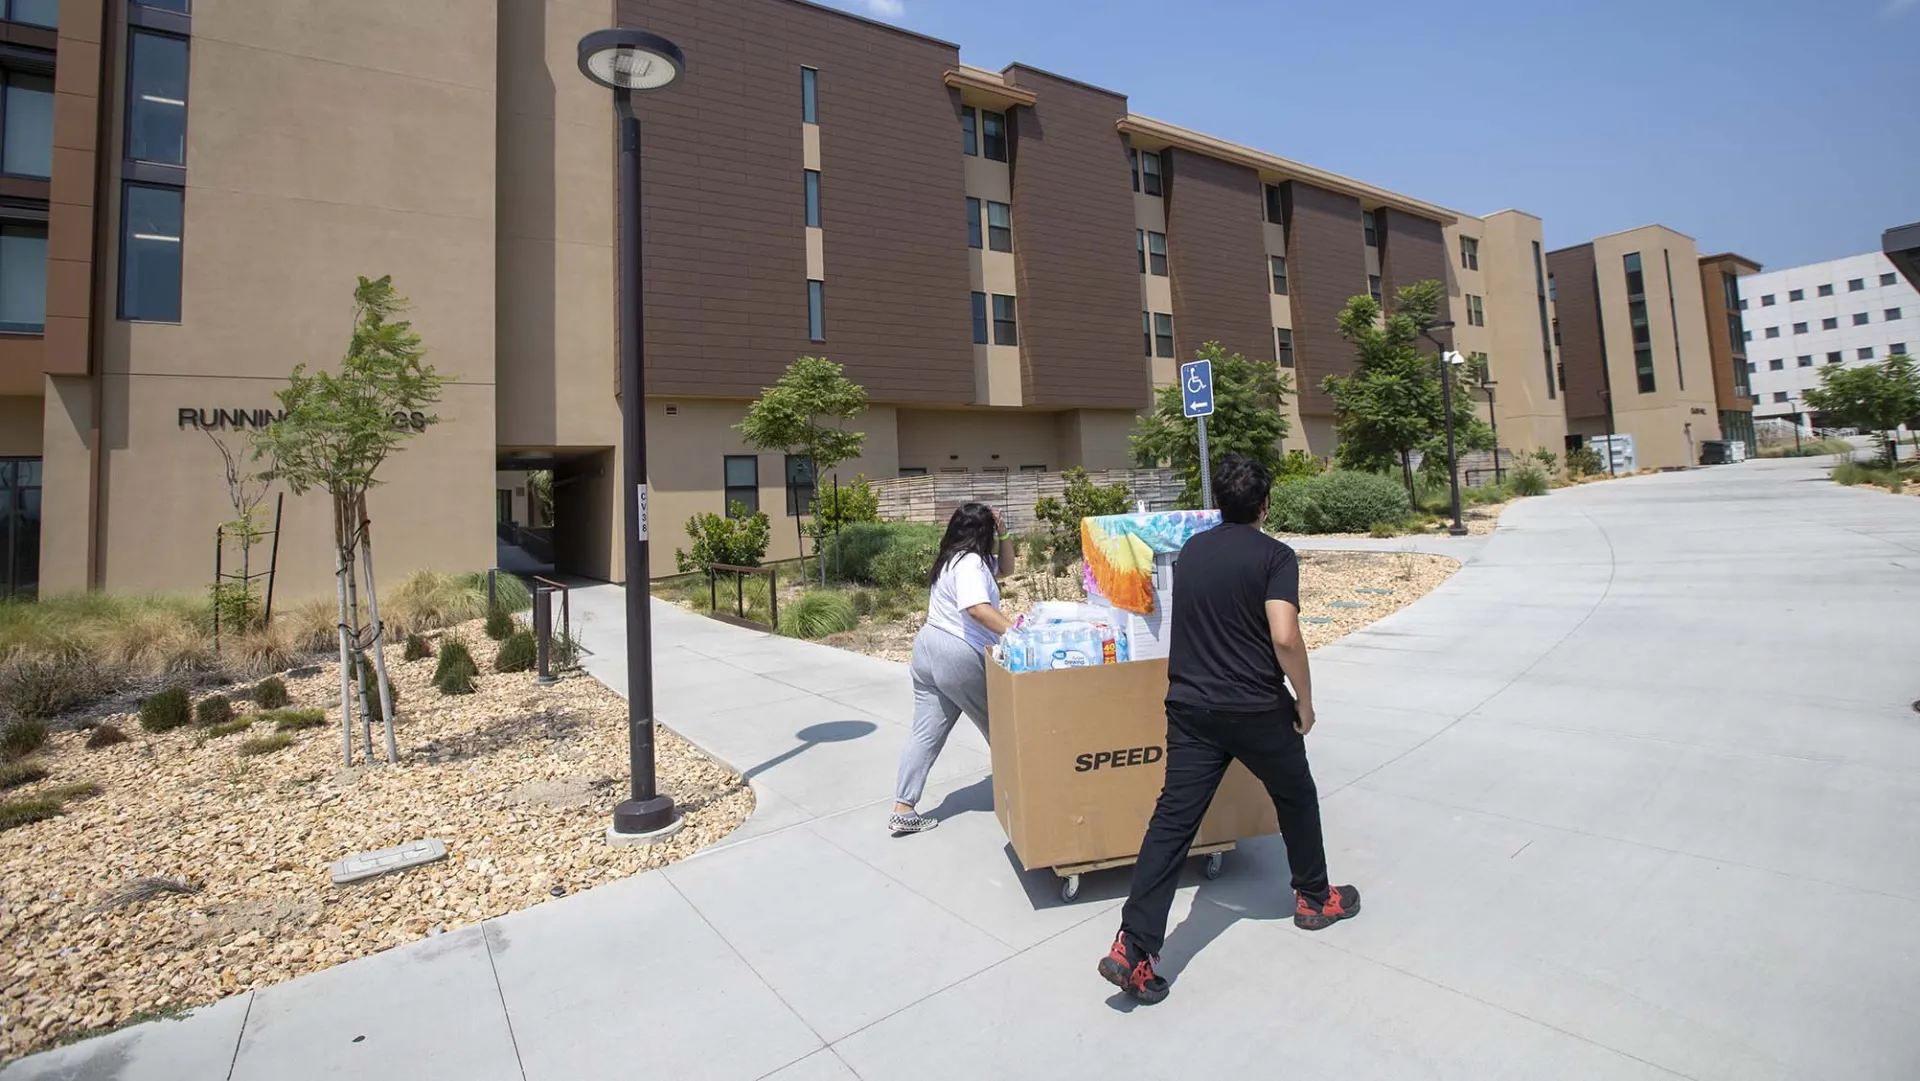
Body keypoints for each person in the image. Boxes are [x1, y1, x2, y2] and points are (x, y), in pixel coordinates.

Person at [1099, 453, 1359, 1005]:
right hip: (1257, 708)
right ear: (1265, 504)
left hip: (1191, 706)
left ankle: (1134, 947)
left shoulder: (1192, 551)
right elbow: (1284, 636)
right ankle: (1314, 898)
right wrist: (1305, 701)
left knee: (1172, 823)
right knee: (1295, 794)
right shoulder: (1275, 556)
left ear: (1220, 505)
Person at [889, 502, 1012, 836]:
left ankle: (904, 807)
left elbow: (1007, 569)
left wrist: (1005, 532)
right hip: (956, 652)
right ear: (981, 533)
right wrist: (1016, 631)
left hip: (927, 648)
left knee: (925, 733)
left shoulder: (952, 559)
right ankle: (1025, 797)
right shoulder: (971, 562)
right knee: (1003, 727)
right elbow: (976, 608)